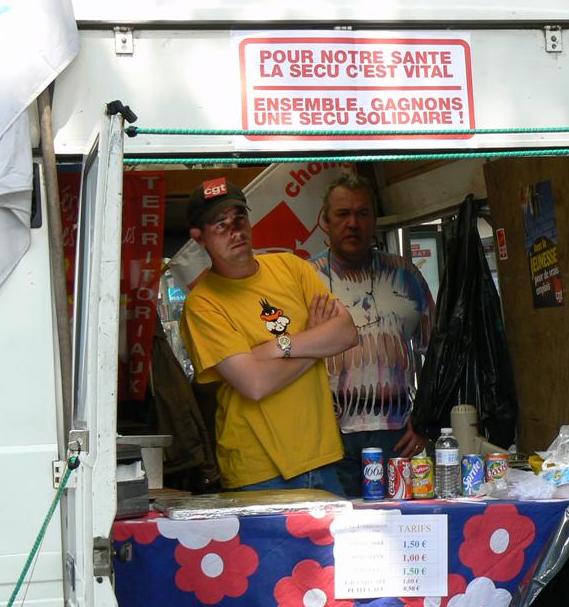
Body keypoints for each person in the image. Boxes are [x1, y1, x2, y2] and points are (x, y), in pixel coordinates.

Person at [179, 178, 358, 494]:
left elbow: (345, 333)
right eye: (220, 225)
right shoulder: (202, 304)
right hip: (257, 470)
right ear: (199, 237)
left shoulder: (290, 267)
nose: (235, 231)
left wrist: (277, 346)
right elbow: (255, 384)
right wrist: (316, 341)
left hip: (323, 456)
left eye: (239, 219)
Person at [311, 173, 436, 498]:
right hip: (327, 437)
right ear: (325, 221)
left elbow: (440, 353)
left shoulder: (406, 275)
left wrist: (427, 420)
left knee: (400, 528)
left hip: (397, 435)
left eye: (362, 213)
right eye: (342, 214)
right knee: (333, 535)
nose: (353, 223)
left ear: (374, 219)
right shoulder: (304, 281)